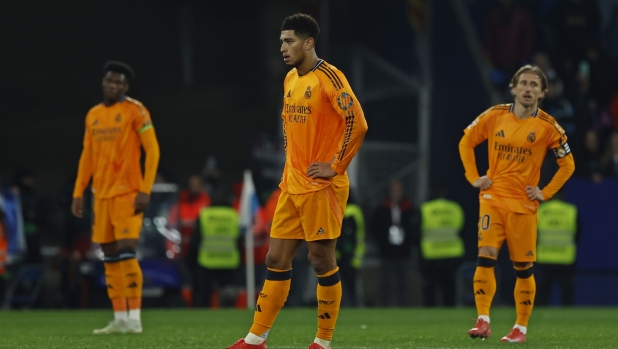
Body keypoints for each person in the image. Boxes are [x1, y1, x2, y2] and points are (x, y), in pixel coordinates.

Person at [226, 13, 368, 349]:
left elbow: (356, 122)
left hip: (321, 187)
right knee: (275, 259)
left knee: (320, 260)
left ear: (309, 42)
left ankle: (323, 341)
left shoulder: (330, 77)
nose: (283, 47)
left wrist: (336, 165)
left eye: (289, 41)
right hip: (292, 185)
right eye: (280, 41)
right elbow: (291, 130)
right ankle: (256, 338)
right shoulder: (290, 79)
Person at [459, 65, 575, 343]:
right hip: (493, 198)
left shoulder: (548, 127)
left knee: (522, 268)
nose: (527, 89)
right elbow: (466, 142)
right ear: (513, 88)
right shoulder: (494, 115)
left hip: (524, 205)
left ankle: (520, 329)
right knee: (485, 255)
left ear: (542, 93)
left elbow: (567, 165)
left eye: (534, 85)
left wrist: (545, 193)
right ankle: (483, 320)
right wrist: (474, 178)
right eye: (523, 83)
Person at [72, 61, 160, 334]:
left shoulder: (135, 110)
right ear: (104, 82)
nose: (113, 86)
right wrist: (79, 191)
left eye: (119, 83)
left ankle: (135, 318)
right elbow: (87, 156)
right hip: (101, 196)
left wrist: (145, 189)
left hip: (128, 194)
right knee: (108, 255)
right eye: (110, 81)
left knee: (126, 250)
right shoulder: (93, 115)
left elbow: (153, 151)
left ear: (126, 86)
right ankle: (119, 317)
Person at [188, 185, 241, 308]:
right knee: (228, 296)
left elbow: (195, 240)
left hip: (207, 261)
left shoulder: (204, 215)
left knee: (204, 294)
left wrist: (191, 260)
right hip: (229, 261)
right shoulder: (234, 215)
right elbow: (239, 240)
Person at [372, 179, 418, 307]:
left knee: (403, 282)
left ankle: (404, 307)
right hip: (387, 251)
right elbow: (375, 229)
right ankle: (384, 306)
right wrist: (382, 242)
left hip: (404, 251)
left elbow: (414, 229)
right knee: (385, 282)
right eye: (393, 190)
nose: (396, 193)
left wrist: (408, 242)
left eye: (398, 190)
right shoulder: (382, 209)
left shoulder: (409, 209)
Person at [418, 189, 465, 307]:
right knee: (449, 287)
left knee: (430, 288)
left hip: (431, 254)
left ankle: (430, 311)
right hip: (452, 253)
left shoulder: (426, 208)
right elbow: (462, 228)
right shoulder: (455, 208)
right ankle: (450, 311)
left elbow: (417, 231)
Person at [535, 190, 580, 306]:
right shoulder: (571, 211)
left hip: (544, 256)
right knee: (566, 290)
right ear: (563, 195)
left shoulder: (540, 210)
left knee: (543, 290)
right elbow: (578, 234)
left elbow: (533, 233)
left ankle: (541, 312)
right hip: (565, 257)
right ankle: (567, 313)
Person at [336, 192, 365, 307]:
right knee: (350, 284)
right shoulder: (356, 210)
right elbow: (360, 235)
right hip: (350, 253)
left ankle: (344, 305)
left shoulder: (340, 208)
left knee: (339, 284)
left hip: (341, 253)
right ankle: (352, 305)